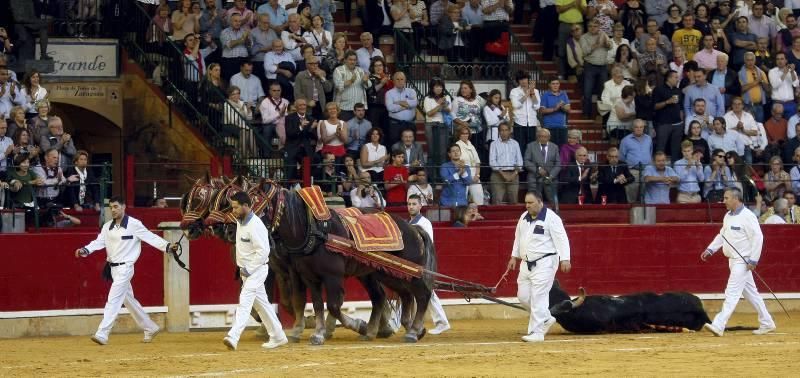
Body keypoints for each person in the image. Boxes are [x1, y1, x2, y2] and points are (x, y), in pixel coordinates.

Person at [74, 196, 180, 345]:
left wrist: (168, 246)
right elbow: (98, 242)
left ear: (123, 207)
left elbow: (150, 237)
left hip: (126, 268)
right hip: (112, 269)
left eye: (116, 207)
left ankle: (102, 333)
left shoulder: (134, 224)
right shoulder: (107, 226)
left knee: (113, 299)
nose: (113, 210)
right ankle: (150, 327)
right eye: (111, 207)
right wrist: (86, 250)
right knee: (128, 301)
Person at [700, 187, 776, 337]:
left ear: (736, 199)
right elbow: (723, 235)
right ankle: (767, 322)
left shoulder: (748, 216)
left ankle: (719, 324)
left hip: (743, 261)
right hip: (733, 260)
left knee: (732, 292)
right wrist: (710, 249)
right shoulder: (728, 215)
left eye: (726, 198)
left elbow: (758, 238)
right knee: (752, 294)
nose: (724, 201)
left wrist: (753, 259)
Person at [222, 191, 288, 350]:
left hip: (256, 270)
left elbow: (264, 252)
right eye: (233, 207)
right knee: (262, 305)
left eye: (236, 207)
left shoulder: (256, 225)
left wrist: (249, 269)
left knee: (245, 301)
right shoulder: (240, 220)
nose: (234, 211)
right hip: (247, 271)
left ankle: (233, 336)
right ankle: (278, 336)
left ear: (246, 206)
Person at [506, 191, 571, 343]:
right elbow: (518, 238)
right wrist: (513, 256)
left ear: (540, 202)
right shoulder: (523, 217)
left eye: (530, 203)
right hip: (526, 264)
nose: (527, 206)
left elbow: (562, 239)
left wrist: (565, 259)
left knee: (538, 297)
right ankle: (546, 318)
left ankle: (537, 332)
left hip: (545, 263)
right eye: (526, 203)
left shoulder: (552, 219)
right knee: (523, 297)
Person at [407, 194, 450, 334]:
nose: (411, 206)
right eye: (409, 204)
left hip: (422, 263)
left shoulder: (424, 223)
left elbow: (428, 244)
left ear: (420, 206)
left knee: (427, 292)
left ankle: (442, 322)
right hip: (412, 263)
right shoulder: (409, 224)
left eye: (414, 204)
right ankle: (441, 322)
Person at [284, 98, 319, 181]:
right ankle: (286, 190)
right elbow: (290, 133)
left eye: (304, 105)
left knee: (307, 173)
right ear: (296, 107)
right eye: (300, 105)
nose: (302, 107)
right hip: (293, 148)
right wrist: (301, 127)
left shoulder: (311, 119)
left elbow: (314, 137)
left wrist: (311, 128)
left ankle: (305, 190)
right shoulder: (289, 118)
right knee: (290, 172)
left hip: (306, 150)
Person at [619, 119, 653, 203]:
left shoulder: (649, 139)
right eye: (636, 127)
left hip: (646, 170)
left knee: (646, 198)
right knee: (631, 197)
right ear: (632, 128)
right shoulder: (625, 140)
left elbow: (650, 152)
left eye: (641, 127)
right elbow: (621, 158)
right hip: (632, 171)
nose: (639, 129)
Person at [523, 128, 560, 203]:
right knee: (534, 200)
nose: (542, 138)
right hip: (534, 177)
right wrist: (537, 170)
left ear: (549, 137)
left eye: (545, 136)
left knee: (553, 201)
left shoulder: (554, 147)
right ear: (537, 137)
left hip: (550, 177)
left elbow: (558, 164)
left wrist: (551, 176)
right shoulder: (530, 146)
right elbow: (526, 161)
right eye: (540, 136)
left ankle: (554, 212)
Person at [490, 122, 523, 204]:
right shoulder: (494, 144)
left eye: (506, 130)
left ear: (509, 131)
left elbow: (520, 161)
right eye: (502, 130)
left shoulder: (515, 143)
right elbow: (492, 161)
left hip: (513, 174)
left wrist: (514, 174)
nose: (504, 133)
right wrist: (503, 174)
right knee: (497, 201)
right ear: (499, 132)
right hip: (498, 174)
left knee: (514, 201)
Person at [334, 51, 371, 121]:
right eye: (350, 59)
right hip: (344, 108)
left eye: (354, 60)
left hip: (359, 109)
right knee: (345, 130)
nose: (352, 62)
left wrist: (365, 81)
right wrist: (351, 81)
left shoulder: (360, 70)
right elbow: (338, 85)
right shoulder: (338, 70)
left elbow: (368, 85)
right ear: (345, 60)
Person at [385, 71, 417, 148]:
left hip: (410, 124)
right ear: (393, 81)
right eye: (397, 79)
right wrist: (406, 105)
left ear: (405, 80)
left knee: (411, 146)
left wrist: (398, 103)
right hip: (395, 125)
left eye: (402, 79)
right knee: (395, 146)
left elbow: (415, 103)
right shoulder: (389, 93)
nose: (400, 81)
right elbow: (390, 108)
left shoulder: (411, 91)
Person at [509, 71, 541, 149]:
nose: (523, 81)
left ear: (528, 79)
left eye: (525, 79)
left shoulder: (535, 91)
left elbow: (536, 106)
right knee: (520, 146)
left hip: (532, 123)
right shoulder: (514, 91)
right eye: (521, 79)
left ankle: (529, 161)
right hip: (519, 122)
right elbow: (516, 105)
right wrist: (527, 94)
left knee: (531, 147)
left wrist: (532, 93)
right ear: (518, 81)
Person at [455, 126, 484, 206]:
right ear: (459, 135)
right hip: (463, 175)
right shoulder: (457, 145)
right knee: (462, 200)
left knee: (479, 198)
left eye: (467, 133)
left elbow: (477, 162)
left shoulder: (471, 145)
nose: (465, 135)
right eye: (463, 134)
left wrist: (477, 175)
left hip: (475, 175)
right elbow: (457, 162)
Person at [539, 78, 571, 147]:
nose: (555, 86)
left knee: (562, 149)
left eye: (557, 84)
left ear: (559, 85)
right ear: (549, 85)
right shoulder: (545, 95)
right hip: (549, 127)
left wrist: (561, 106)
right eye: (553, 84)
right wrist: (555, 108)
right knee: (550, 149)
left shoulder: (564, 94)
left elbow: (568, 109)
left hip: (562, 127)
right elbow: (542, 110)